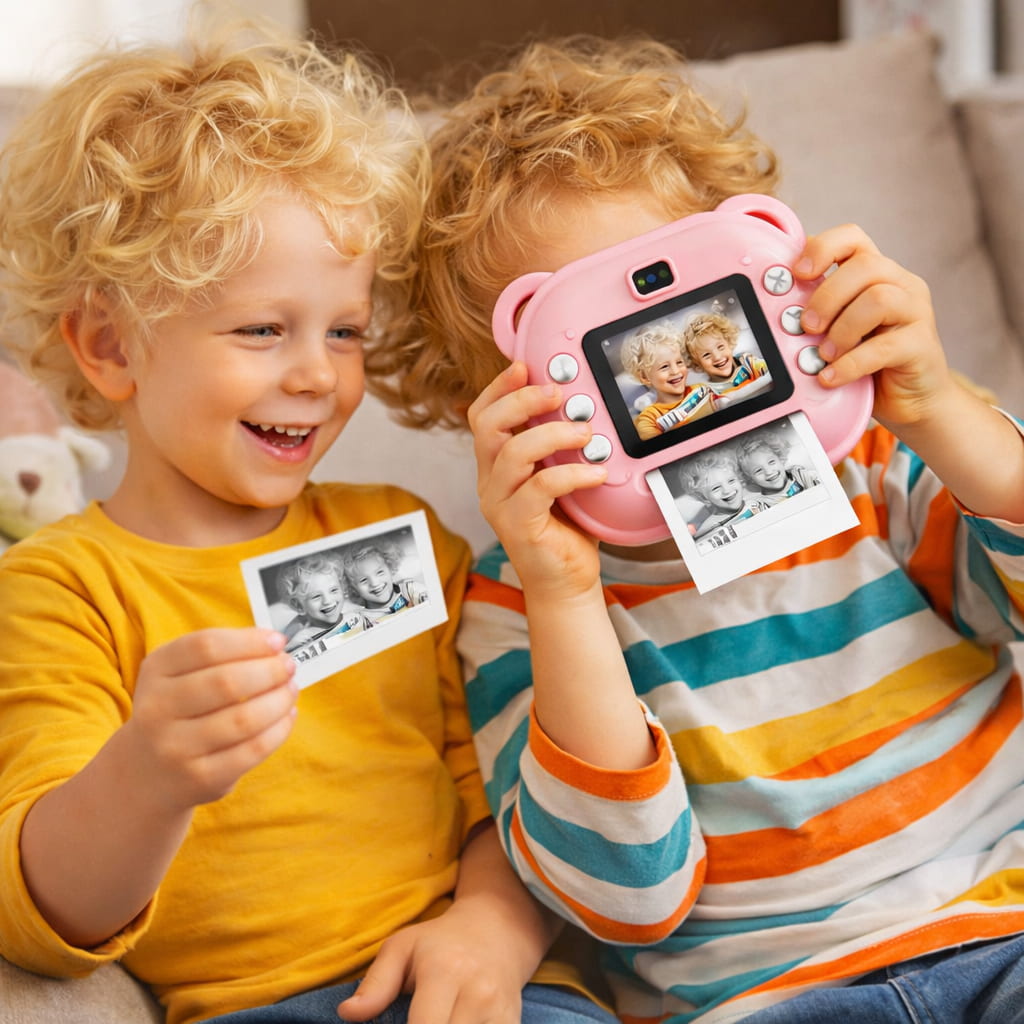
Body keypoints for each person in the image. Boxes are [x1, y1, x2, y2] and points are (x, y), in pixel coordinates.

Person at [367, 35, 1024, 1024]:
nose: (664, 382)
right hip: (763, 1002)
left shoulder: (874, 475)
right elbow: (624, 897)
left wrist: (932, 410)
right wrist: (566, 595)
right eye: (601, 358)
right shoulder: (514, 608)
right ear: (488, 391)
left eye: (686, 314)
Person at [0, 22, 619, 1024]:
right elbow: (43, 914)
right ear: (111, 345)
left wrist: (492, 932)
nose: (316, 374)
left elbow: (503, 782)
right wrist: (148, 775)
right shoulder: (60, 584)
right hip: (260, 1008)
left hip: (486, 988)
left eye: (345, 332)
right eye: (261, 329)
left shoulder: (404, 536)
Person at [620, 324, 712, 440]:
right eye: (664, 367)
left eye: (679, 362)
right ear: (644, 377)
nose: (675, 371)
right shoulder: (649, 419)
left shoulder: (700, 390)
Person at [276, 553, 373, 652]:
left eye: (333, 590)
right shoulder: (302, 636)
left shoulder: (355, 613)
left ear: (342, 588)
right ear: (298, 606)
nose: (327, 601)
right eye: (316, 596)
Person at [678, 449, 768, 539]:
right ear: (703, 498)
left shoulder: (757, 498)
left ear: (739, 479)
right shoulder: (709, 530)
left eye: (731, 480)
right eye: (716, 488)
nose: (727, 490)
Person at [681, 311, 769, 395]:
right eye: (706, 355)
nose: (717, 357)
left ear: (728, 342)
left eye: (720, 347)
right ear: (697, 364)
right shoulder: (707, 393)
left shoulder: (749, 363)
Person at [342, 541, 429, 619]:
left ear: (390, 568)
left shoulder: (411, 590)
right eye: (363, 580)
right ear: (352, 588)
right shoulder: (361, 620)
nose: (375, 583)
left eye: (380, 572)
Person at [735, 429, 821, 505]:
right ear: (750, 478)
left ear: (780, 459)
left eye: (771, 462)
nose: (769, 472)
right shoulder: (761, 504)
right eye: (758, 470)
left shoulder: (799, 474)